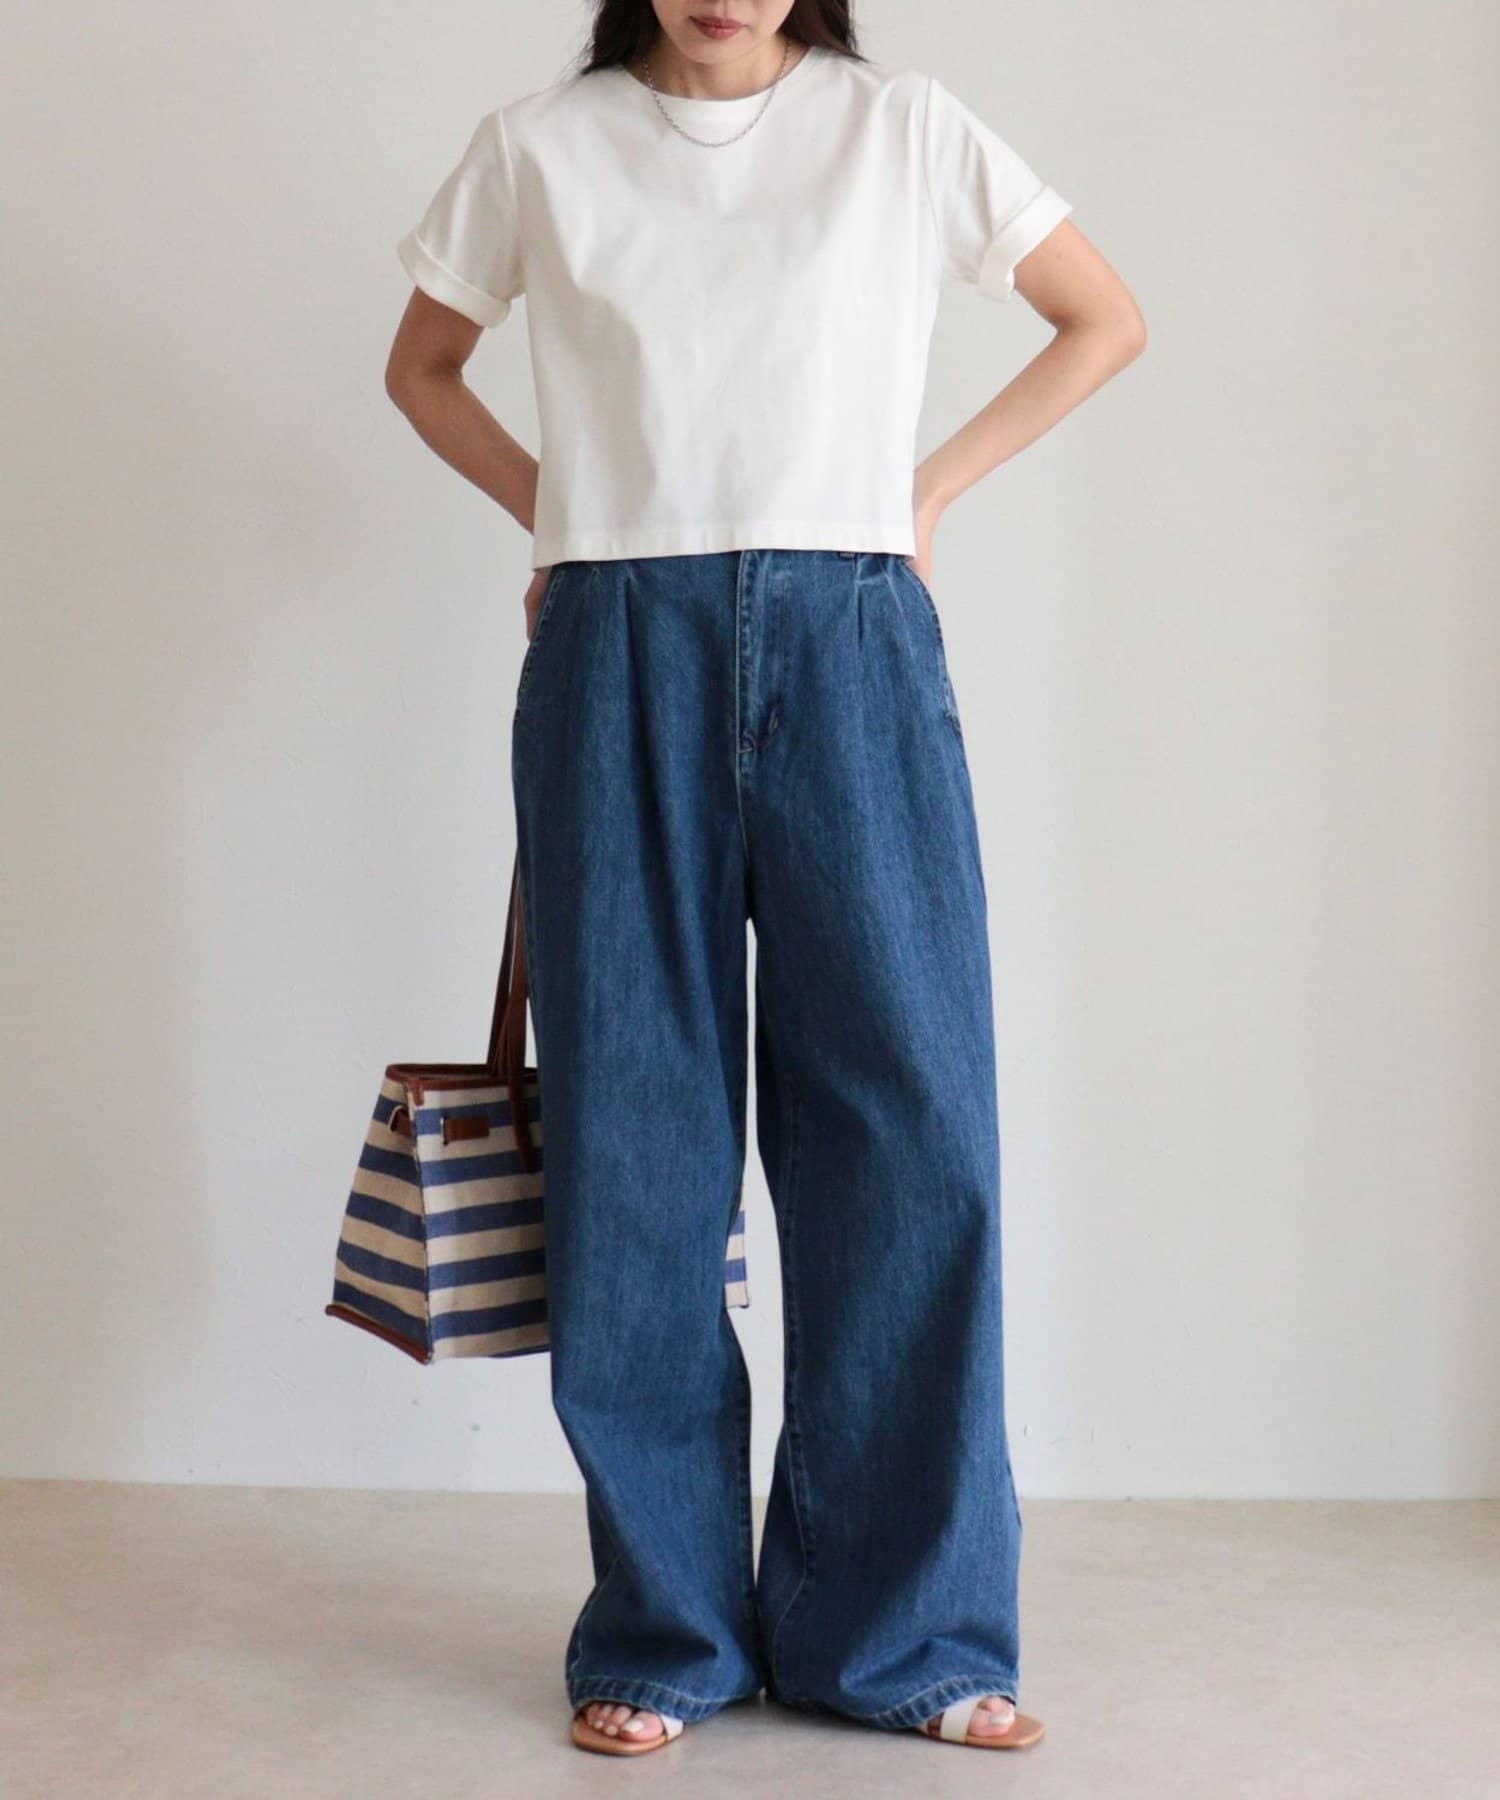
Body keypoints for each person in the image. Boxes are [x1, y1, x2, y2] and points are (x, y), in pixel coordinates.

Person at [383, 0, 1145, 1760]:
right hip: (615, 647)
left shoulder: (906, 127)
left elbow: (1104, 316)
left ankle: (908, 1635)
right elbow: (421, 366)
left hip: (853, 631)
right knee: (635, 1140)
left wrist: (925, 493)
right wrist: (558, 516)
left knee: (913, 1132)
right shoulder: (540, 145)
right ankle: (665, 1632)